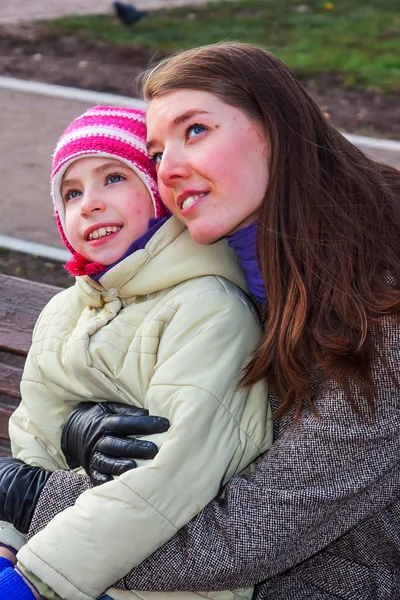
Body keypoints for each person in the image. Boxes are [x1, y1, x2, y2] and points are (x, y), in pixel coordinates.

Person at [1, 42, 400, 600]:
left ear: (275, 128)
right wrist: (78, 434)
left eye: (195, 132)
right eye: (158, 153)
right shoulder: (223, 276)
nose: (171, 170)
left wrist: (35, 496)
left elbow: (238, 539)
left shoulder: (382, 315)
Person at [0, 104, 273, 599]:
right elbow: (32, 440)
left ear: (160, 195)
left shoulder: (208, 309)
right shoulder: (65, 312)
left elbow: (169, 477)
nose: (90, 204)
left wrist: (32, 580)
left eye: (114, 178)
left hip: (162, 584)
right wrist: (6, 546)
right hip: (61, 561)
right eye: (72, 192)